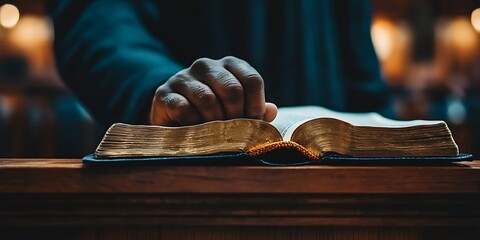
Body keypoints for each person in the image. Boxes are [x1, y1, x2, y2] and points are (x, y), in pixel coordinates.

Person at [47, 0, 389, 127]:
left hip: (331, 188)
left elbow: (358, 63)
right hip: (181, 189)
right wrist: (165, 91)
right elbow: (99, 27)